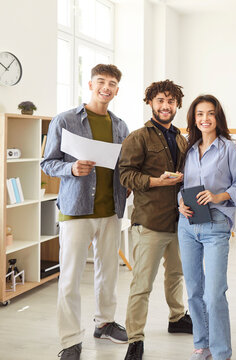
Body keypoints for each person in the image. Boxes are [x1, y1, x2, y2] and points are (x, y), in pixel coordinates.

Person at [41, 64, 130, 360]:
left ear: (117, 89)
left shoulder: (120, 126)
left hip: (111, 210)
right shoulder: (64, 120)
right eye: (101, 81)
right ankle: (69, 340)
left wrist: (128, 183)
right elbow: (48, 162)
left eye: (112, 83)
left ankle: (104, 322)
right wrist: (71, 168)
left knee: (108, 274)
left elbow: (123, 167)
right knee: (70, 278)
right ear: (90, 84)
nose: (106, 87)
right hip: (76, 211)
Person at [119, 80, 193, 360]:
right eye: (161, 100)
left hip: (179, 221)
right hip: (149, 222)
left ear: (177, 105)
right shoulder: (138, 137)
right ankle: (135, 338)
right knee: (142, 283)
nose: (166, 106)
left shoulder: (182, 137)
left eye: (171, 101)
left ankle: (177, 318)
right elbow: (125, 175)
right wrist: (156, 181)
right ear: (150, 102)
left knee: (176, 275)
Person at [178, 95, 236, 360]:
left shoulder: (228, 148)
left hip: (216, 224)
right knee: (194, 289)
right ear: (193, 119)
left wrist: (217, 196)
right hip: (187, 225)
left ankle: (221, 353)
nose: (205, 119)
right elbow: (183, 186)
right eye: (199, 114)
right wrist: (180, 204)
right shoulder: (189, 148)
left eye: (210, 113)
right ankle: (201, 345)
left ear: (218, 117)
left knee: (214, 292)